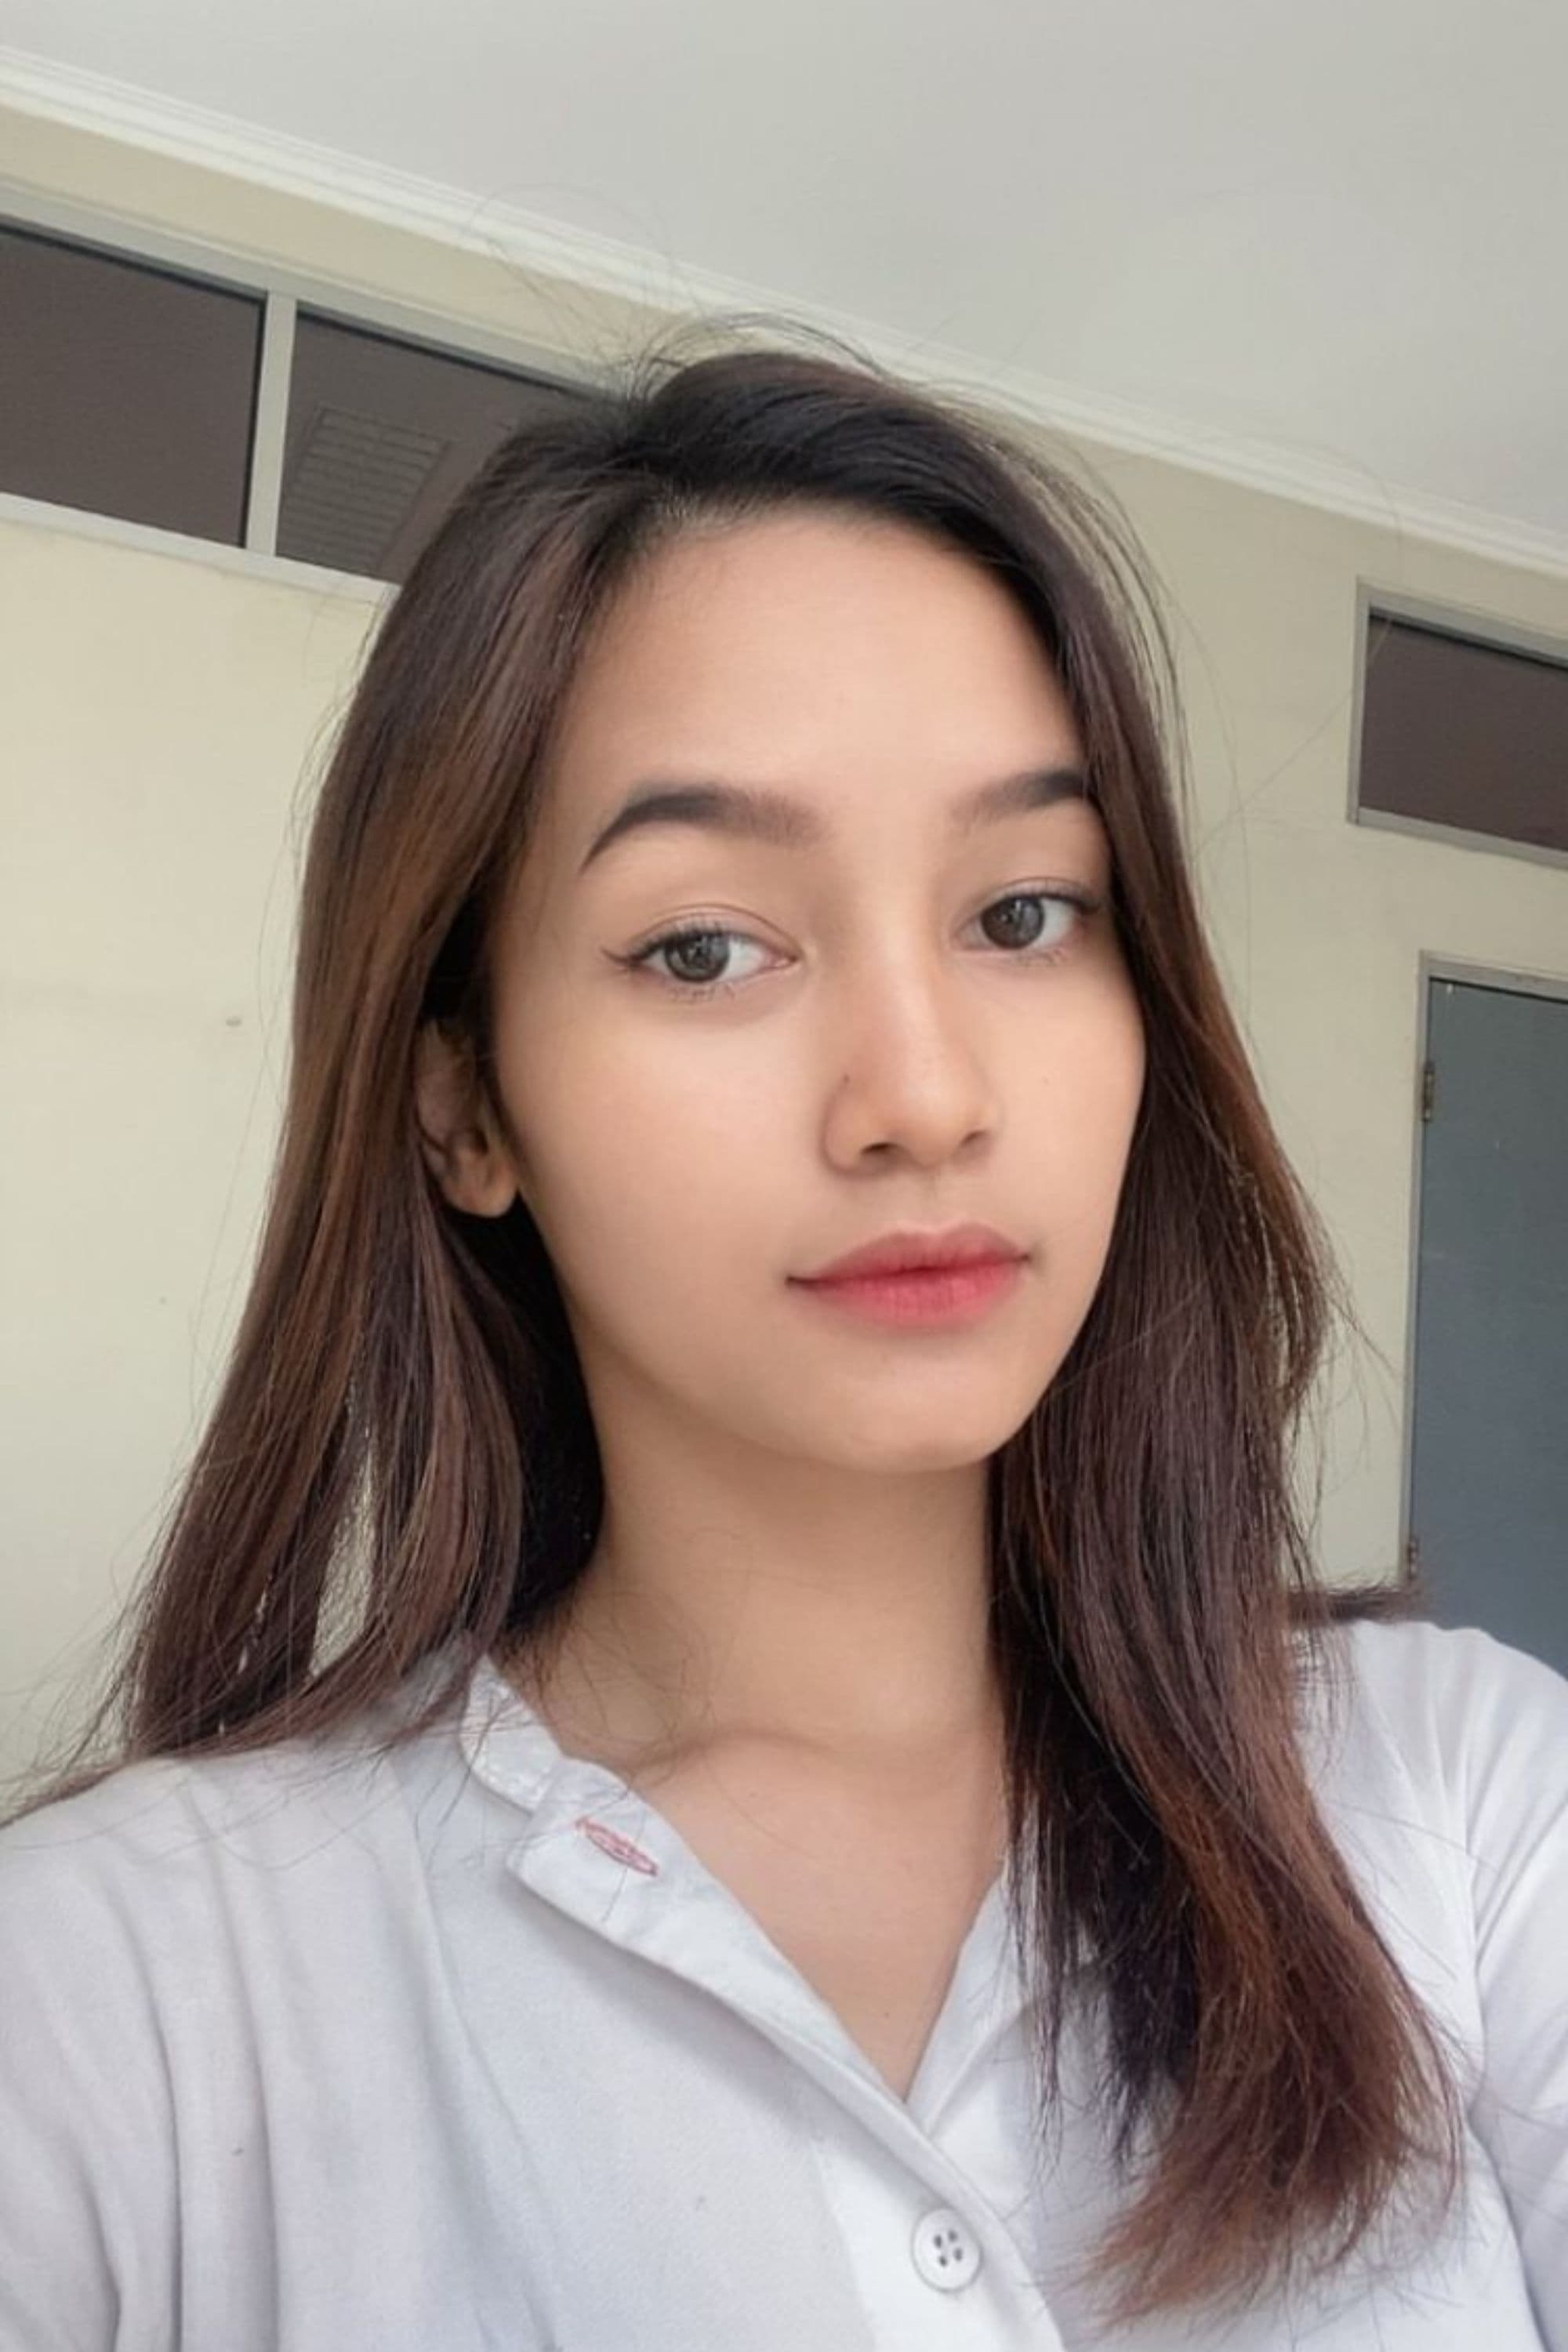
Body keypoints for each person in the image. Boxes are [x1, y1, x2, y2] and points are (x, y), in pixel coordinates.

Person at [0, 325, 1563, 2352]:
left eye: (1023, 913)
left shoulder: (1459, 1805)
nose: (922, 1095)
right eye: (706, 945)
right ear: (466, 1103)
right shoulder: (123, 2001)